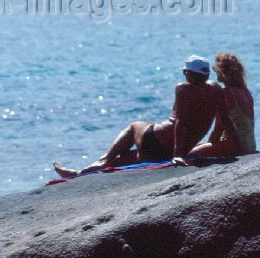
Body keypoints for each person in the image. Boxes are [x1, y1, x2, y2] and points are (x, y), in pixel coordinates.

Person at [53, 55, 243, 177]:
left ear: (188, 73)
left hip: (158, 144)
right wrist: (241, 148)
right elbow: (226, 119)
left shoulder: (184, 89)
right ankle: (79, 172)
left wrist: (177, 157)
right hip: (167, 151)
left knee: (136, 125)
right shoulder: (216, 89)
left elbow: (181, 123)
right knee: (124, 159)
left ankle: (102, 159)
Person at [189, 52, 256, 157]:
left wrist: (209, 144)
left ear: (223, 73)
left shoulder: (228, 93)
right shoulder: (246, 92)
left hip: (234, 146)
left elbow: (218, 131)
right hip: (250, 145)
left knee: (190, 154)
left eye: (217, 72)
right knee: (197, 146)